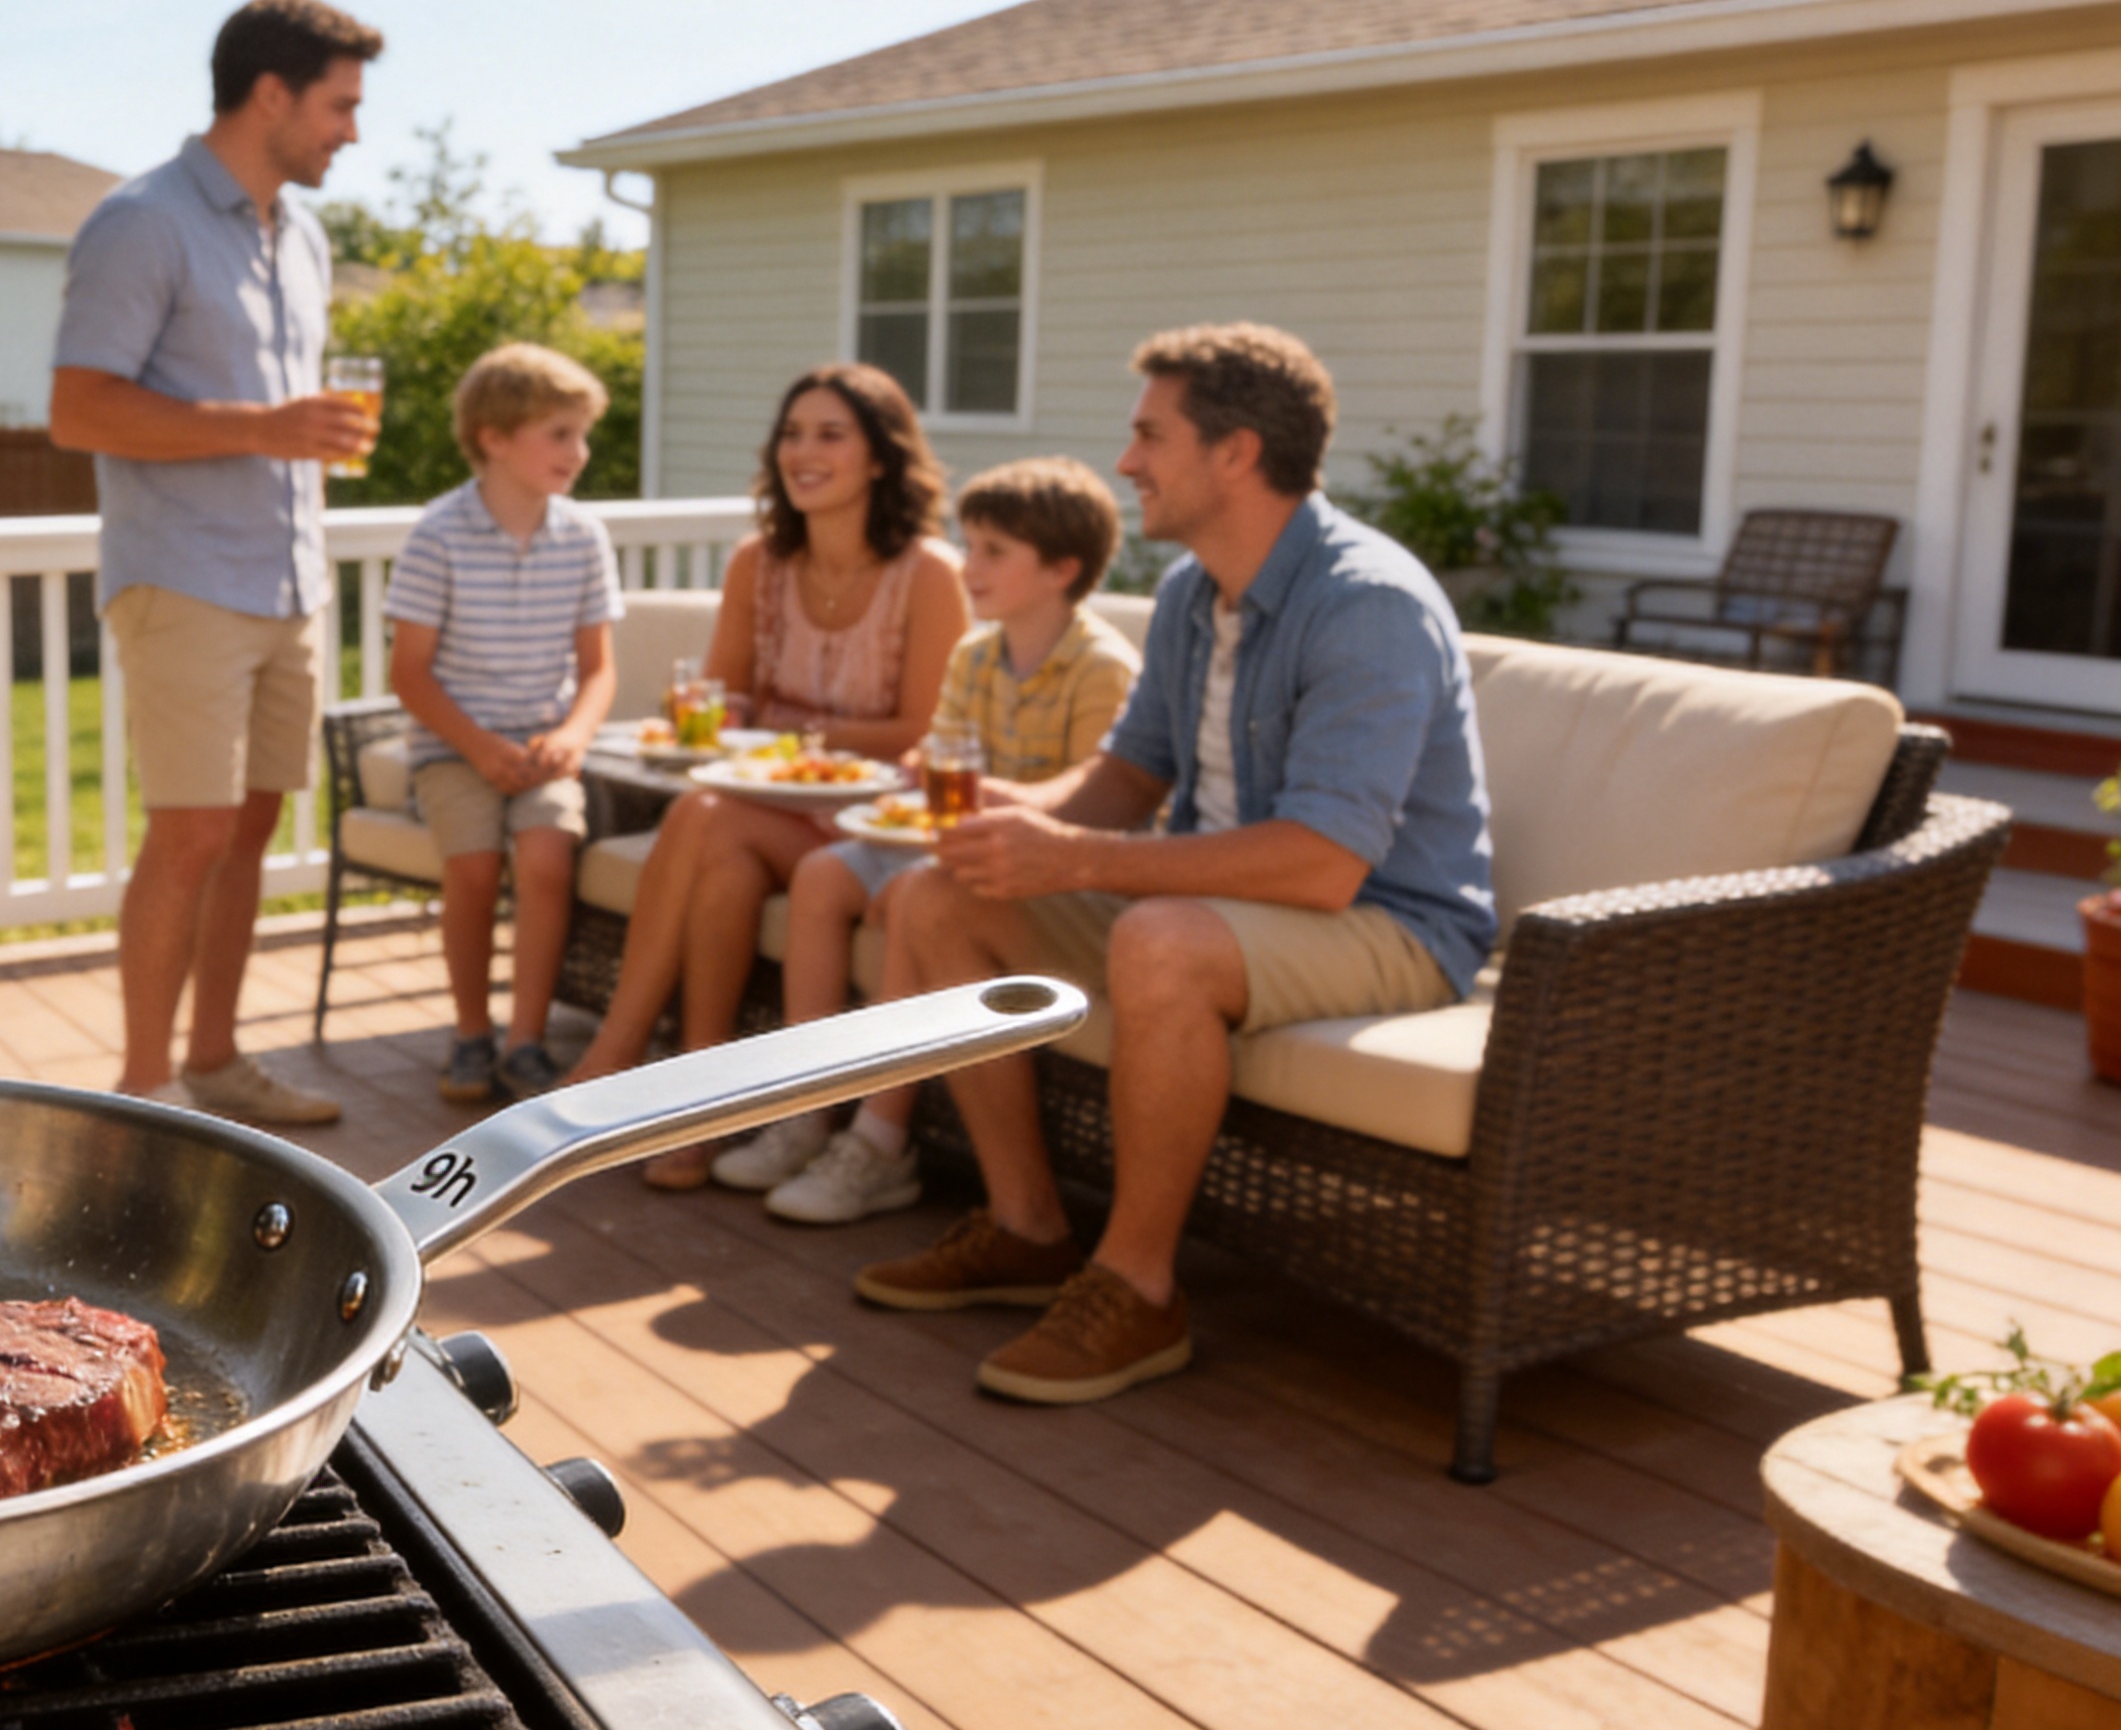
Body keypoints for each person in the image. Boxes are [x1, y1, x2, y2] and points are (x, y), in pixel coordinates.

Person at [844, 323, 1496, 1407]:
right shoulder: (1196, 593)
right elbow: (1128, 775)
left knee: (1161, 940)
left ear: (1235, 453)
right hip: (1227, 902)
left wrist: (1079, 857)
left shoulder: (1366, 605)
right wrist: (1018, 818)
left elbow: (1326, 865)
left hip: (1393, 925)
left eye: (1150, 435)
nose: (1128, 461)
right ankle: (1028, 1229)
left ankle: (1139, 1289)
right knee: (939, 895)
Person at [49, 0, 386, 1127]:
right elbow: (79, 409)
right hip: (184, 577)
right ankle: (145, 1095)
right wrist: (266, 427)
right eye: (340, 105)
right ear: (273, 93)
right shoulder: (141, 222)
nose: (352, 129)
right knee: (189, 831)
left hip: (289, 580)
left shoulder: (303, 237)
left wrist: (292, 439)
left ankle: (217, 1063)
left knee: (247, 829)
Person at [570, 364, 970, 1184]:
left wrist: (802, 729)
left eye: (830, 435)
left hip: (873, 823)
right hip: (769, 810)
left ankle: (624, 1062)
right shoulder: (760, 562)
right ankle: (702, 1109)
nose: (803, 451)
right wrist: (727, 723)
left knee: (708, 821)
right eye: (792, 434)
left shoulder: (928, 573)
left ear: (883, 459)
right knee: (716, 846)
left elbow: (929, 729)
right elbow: (729, 700)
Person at [726, 454, 1143, 1222]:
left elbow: (1107, 801)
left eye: (992, 551)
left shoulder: (1103, 669)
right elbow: (934, 763)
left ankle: (880, 1142)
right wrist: (909, 775)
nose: (969, 565)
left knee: (913, 899)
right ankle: (805, 1113)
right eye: (969, 543)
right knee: (822, 875)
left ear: (1062, 568)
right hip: (945, 843)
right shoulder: (976, 655)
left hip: (1038, 871)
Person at [385, 344, 624, 1103]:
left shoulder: (584, 537)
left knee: (548, 858)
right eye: (559, 434)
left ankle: (525, 1040)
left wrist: (574, 737)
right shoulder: (438, 535)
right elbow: (408, 674)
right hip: (455, 748)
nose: (578, 453)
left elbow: (598, 669)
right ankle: (469, 1032)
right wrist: (480, 748)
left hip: (546, 750)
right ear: (493, 437)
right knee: (475, 867)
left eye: (581, 435)